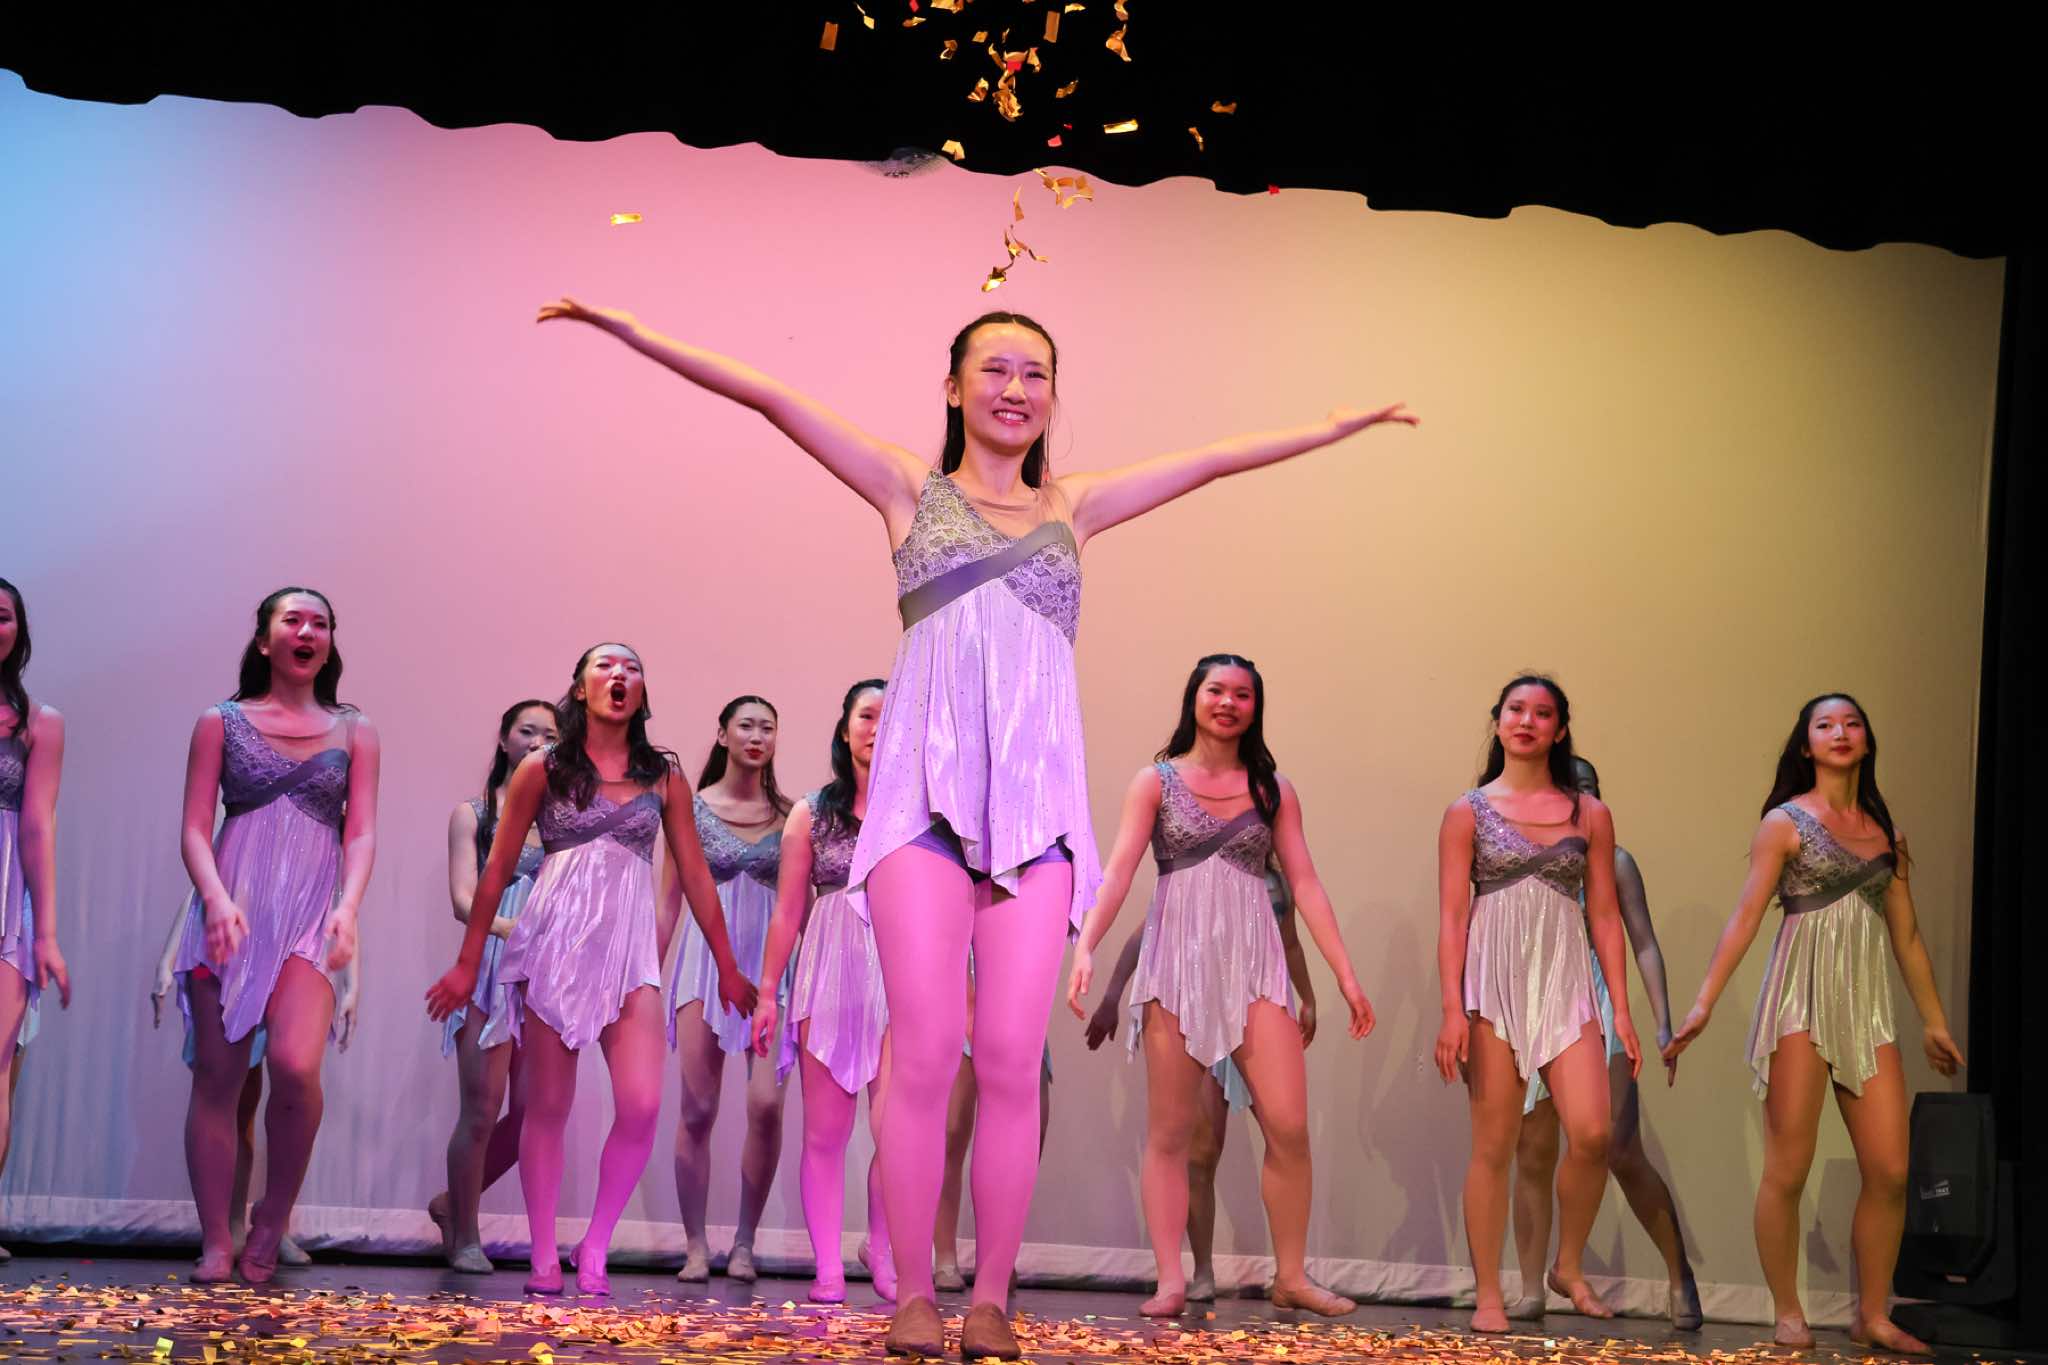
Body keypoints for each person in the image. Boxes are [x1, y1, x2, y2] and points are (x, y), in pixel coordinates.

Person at [535, 295, 1413, 1357]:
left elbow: (1215, 461)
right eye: (994, 369)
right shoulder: (909, 489)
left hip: (1035, 821)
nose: (1015, 389)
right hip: (921, 814)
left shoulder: (1075, 507)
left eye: (1036, 373)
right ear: (953, 387)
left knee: (1004, 1061)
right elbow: (769, 397)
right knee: (921, 1059)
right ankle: (913, 1291)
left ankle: (991, 1294)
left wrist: (1335, 427)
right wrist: (631, 331)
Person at [425, 643, 755, 1296]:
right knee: (546, 1108)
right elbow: (497, 869)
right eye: (605, 665)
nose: (619, 674)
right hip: (555, 948)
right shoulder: (544, 768)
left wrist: (727, 964)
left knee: (642, 1105)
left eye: (631, 667)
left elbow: (695, 873)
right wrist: (467, 963)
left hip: (629, 955)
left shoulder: (662, 774)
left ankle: (596, 1243)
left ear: (641, 691)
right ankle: (544, 1255)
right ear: (580, 688)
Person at [1068, 654, 1373, 1316]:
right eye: (1217, 690)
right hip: (1175, 966)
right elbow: (1118, 872)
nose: (1228, 703)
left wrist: (1345, 976)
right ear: (1195, 698)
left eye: (1242, 694)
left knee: (1289, 1125)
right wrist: (1086, 945)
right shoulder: (1155, 781)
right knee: (1171, 1132)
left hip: (1254, 967)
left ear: (1255, 707)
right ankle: (1171, 1279)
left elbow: (1306, 883)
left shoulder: (1273, 789)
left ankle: (1291, 1275)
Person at [1664, 694, 1965, 1353]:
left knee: (1890, 1168)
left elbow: (1908, 937)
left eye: (1852, 723)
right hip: (1798, 1002)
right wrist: (1703, 1005)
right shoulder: (1784, 823)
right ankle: (1788, 1309)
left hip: (1867, 1008)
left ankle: (1872, 1313)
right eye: (1825, 725)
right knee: (1789, 1167)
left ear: (1867, 741)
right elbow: (1746, 917)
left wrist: (1934, 1021)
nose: (1840, 732)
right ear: (1807, 745)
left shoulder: (1886, 834)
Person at [174, 587, 380, 1283]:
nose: (307, 631)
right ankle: (216, 1238)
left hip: (310, 914)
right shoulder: (220, 721)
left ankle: (272, 1217)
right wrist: (214, 899)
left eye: (320, 622)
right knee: (218, 1077)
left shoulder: (355, 730)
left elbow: (362, 833)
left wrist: (349, 907)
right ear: (265, 640)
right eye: (293, 620)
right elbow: (194, 827)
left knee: (294, 1066)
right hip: (231, 907)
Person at [1434, 676, 1639, 1333]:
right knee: (1494, 1146)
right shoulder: (1467, 811)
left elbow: (1604, 915)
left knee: (1593, 1133)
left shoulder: (1590, 814)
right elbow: (1451, 917)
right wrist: (1450, 1009)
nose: (1527, 721)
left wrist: (1622, 1011)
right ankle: (1489, 1294)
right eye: (1516, 710)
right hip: (1493, 985)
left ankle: (1566, 1264)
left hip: (1565, 983)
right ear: (1498, 722)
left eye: (1542, 712)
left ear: (1559, 729)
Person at [1509, 759, 1701, 1328]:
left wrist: (1662, 1022)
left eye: (1589, 789)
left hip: (1596, 1003)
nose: (1580, 798)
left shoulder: (1615, 862)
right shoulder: (1524, 854)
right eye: (1570, 788)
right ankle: (1532, 1287)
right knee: (1534, 1150)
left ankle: (1679, 1275)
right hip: (1533, 1004)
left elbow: (1643, 942)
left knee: (1618, 1147)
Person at [1083, 849, 1316, 1303]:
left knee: (1285, 1131)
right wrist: (1111, 997)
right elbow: (1145, 935)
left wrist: (1307, 997)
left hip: (1256, 1012)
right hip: (1203, 1012)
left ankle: (1290, 1272)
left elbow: (1289, 943)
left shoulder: (1276, 884)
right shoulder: (1200, 873)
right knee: (1201, 1150)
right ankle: (1202, 1268)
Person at [750, 679, 894, 1303]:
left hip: (899, 971)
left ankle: (882, 1250)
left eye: (890, 716)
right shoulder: (812, 812)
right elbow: (787, 912)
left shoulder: (922, 814)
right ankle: (828, 1268)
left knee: (897, 1132)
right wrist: (767, 993)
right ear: (844, 729)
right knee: (825, 1135)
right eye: (866, 715)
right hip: (830, 971)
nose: (877, 727)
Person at [428, 699, 559, 1273]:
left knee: (534, 1112)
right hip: (490, 968)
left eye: (549, 735)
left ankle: (451, 1204)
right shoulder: (474, 814)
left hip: (547, 972)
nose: (537, 742)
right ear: (505, 739)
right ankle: (465, 1236)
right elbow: (464, 901)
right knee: (481, 1110)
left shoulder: (563, 818)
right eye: (527, 731)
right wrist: (514, 930)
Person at [668, 696, 791, 1283]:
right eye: (746, 725)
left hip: (770, 967)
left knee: (765, 1105)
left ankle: (745, 1242)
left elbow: (800, 905)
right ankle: (695, 1246)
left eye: (768, 727)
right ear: (722, 735)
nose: (756, 736)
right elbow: (668, 900)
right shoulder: (689, 810)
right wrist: (647, 975)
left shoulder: (791, 815)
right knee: (697, 1109)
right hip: (701, 961)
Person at [0, 577, 70, 1262]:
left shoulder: (38, 722)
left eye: (0, 616)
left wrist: (44, 932)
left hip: (4, 907)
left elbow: (38, 827)